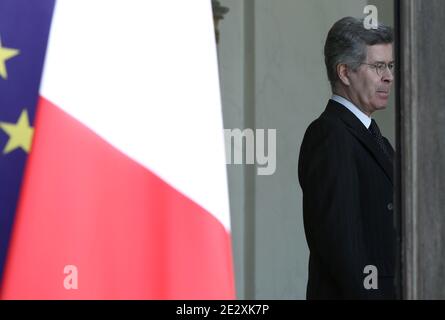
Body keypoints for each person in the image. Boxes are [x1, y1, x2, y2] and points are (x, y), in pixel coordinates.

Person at [298, 17, 396, 299]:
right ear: (344, 72)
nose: (388, 76)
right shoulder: (330, 136)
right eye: (378, 66)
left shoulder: (377, 139)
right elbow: (344, 251)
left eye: (390, 66)